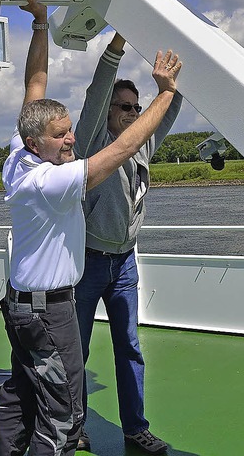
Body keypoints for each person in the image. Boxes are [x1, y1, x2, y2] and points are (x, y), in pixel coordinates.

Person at [0, 0, 181, 456]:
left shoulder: (21, 152)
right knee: (64, 416)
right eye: (62, 135)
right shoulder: (50, 180)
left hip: (22, 303)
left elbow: (35, 83)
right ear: (38, 143)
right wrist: (167, 93)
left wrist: (40, 26)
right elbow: (115, 152)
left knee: (19, 394)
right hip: (49, 309)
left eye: (70, 128)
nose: (72, 137)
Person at [73, 32, 183, 454]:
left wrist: (171, 82)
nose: (133, 113)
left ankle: (135, 429)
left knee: (130, 351)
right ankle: (75, 427)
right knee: (75, 355)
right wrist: (117, 43)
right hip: (87, 264)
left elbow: (170, 107)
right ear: (108, 113)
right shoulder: (93, 144)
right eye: (124, 107)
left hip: (124, 266)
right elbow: (97, 93)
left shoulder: (143, 146)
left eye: (137, 108)